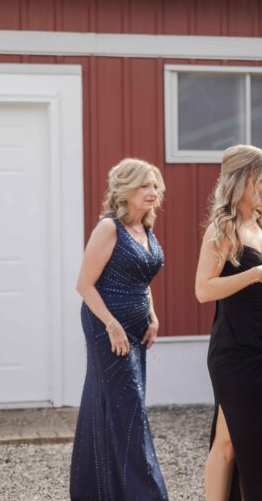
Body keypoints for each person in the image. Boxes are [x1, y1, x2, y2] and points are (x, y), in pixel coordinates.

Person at [195, 144, 262, 501]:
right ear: (243, 180)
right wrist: (253, 273)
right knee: (229, 442)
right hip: (235, 350)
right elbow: (204, 290)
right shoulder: (222, 229)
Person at [71, 158, 168, 500]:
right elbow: (84, 284)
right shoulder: (109, 228)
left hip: (137, 328)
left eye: (155, 185)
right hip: (106, 326)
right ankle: (147, 494)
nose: (153, 192)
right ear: (125, 190)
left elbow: (141, 280)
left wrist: (152, 315)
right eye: (145, 186)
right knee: (130, 407)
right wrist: (111, 324)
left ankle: (95, 490)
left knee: (109, 402)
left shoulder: (146, 229)